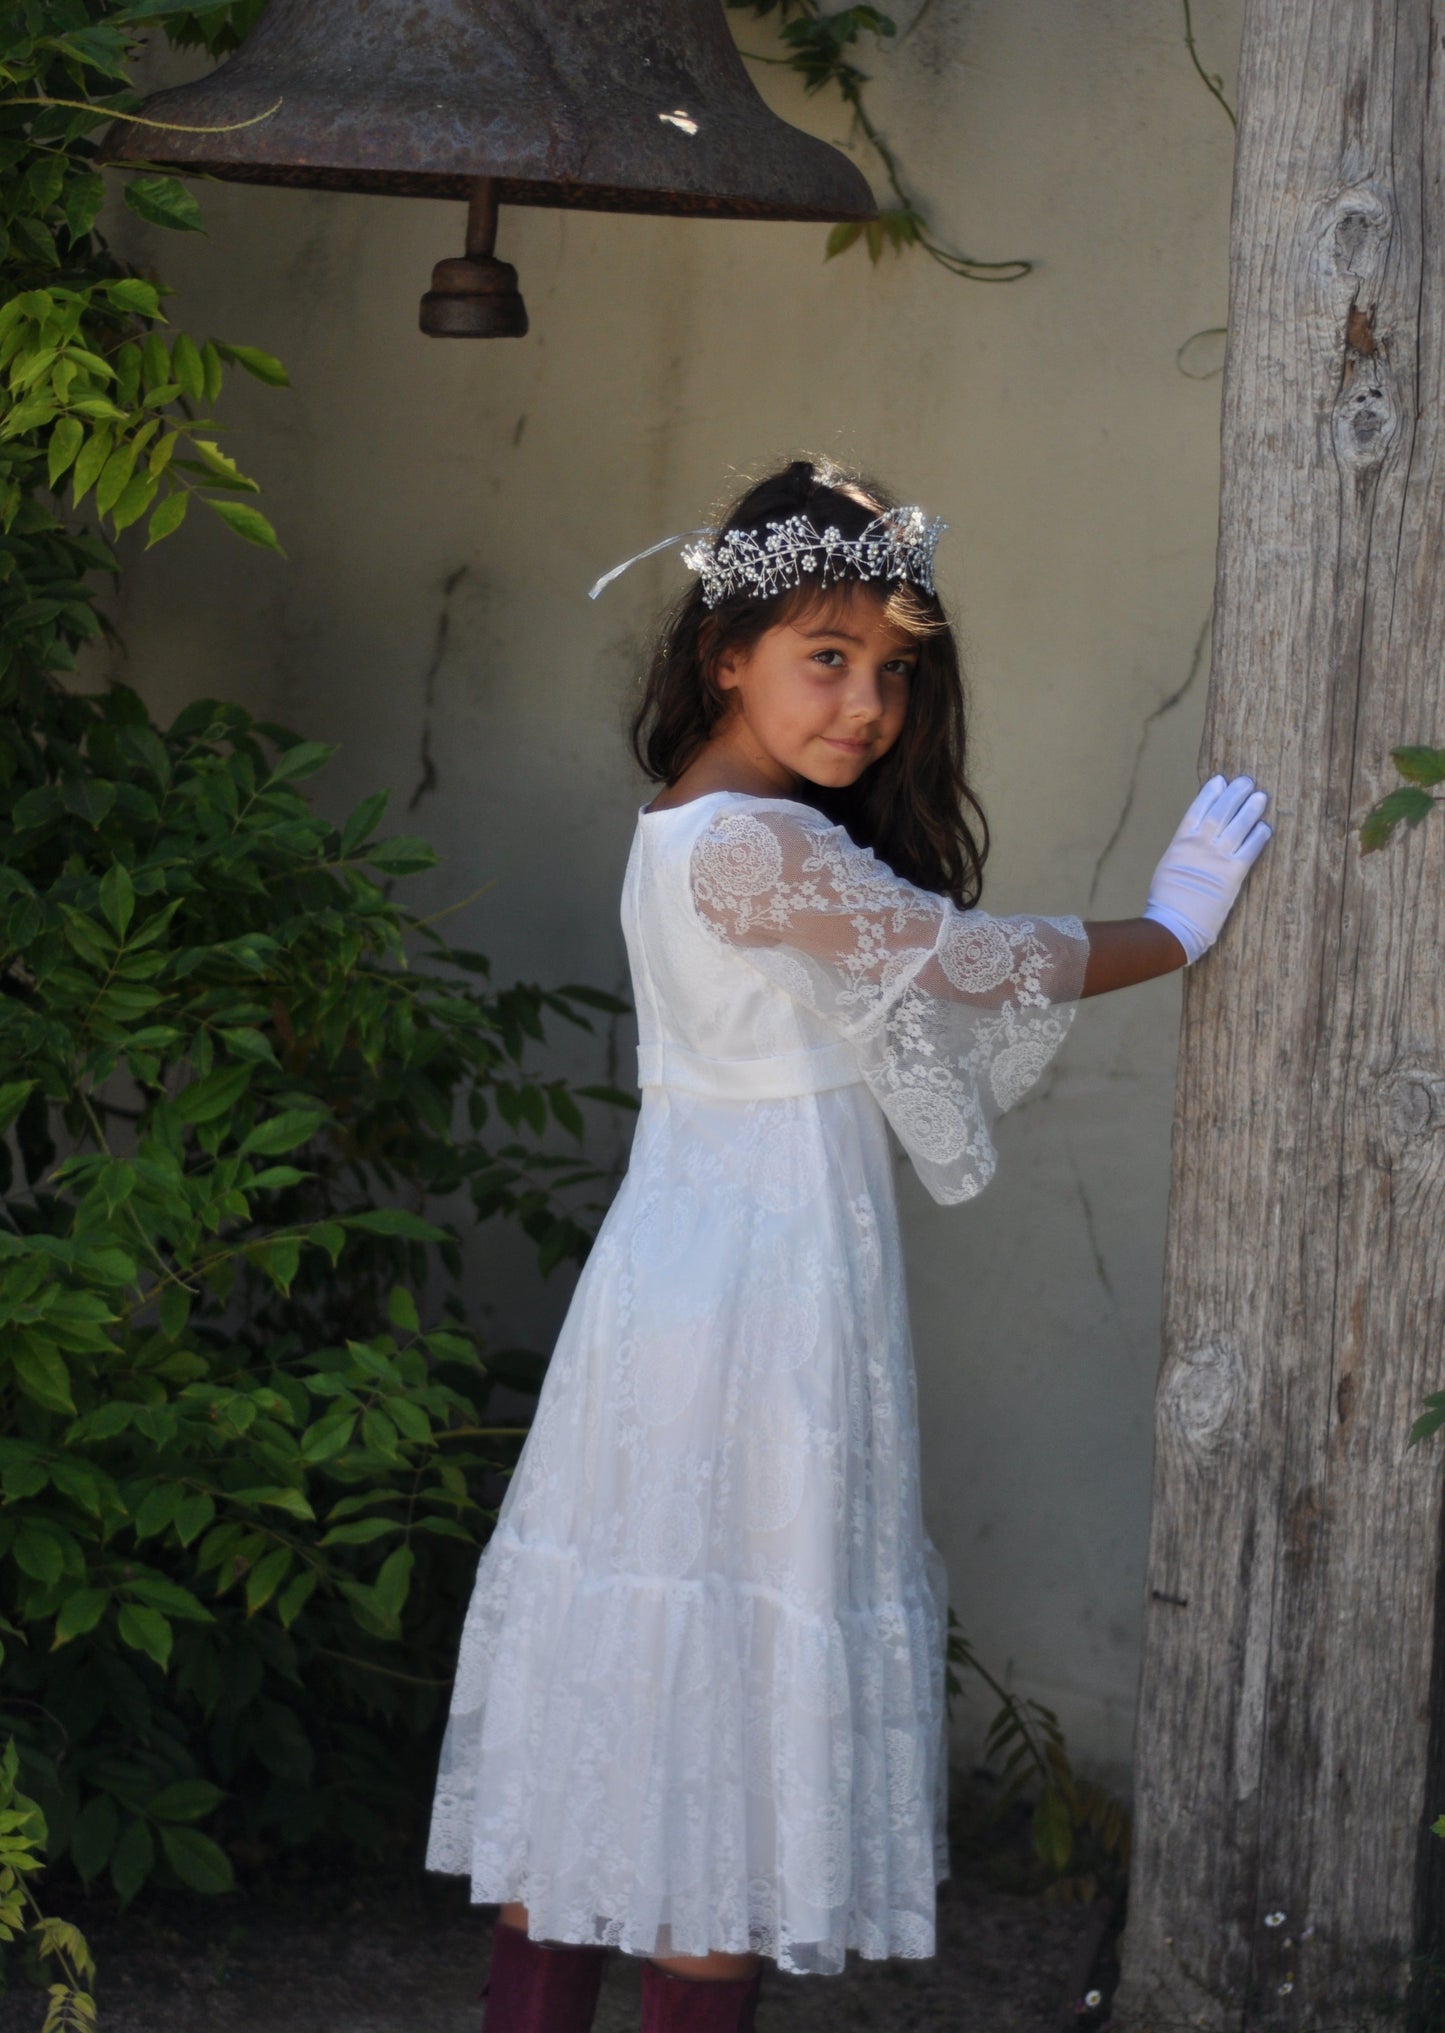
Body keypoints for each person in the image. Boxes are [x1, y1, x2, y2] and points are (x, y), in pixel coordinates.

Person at [424, 457, 1272, 2032]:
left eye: (894, 671)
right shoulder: (754, 843)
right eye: (827, 658)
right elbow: (956, 963)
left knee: (632, 1702)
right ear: (719, 653)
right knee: (732, 1736)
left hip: (694, 1273)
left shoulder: (701, 823)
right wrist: (1171, 928)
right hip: (748, 1300)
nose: (867, 703)